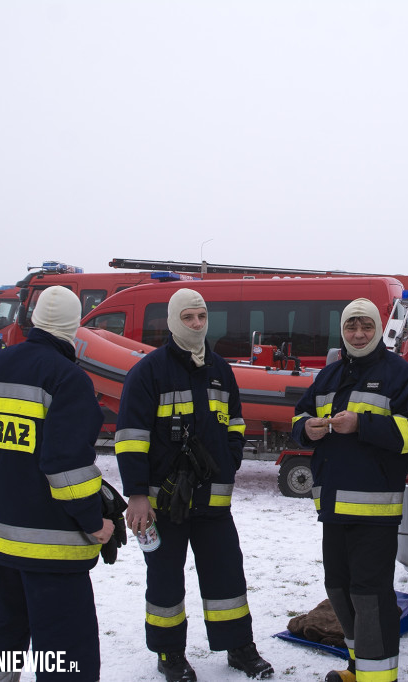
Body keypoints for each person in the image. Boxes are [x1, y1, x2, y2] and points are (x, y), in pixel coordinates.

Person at [115, 288, 273, 682]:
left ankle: (239, 646)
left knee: (227, 576)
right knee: (166, 579)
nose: (197, 324)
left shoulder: (221, 369)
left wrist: (230, 459)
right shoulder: (147, 372)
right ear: (172, 321)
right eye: (188, 317)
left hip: (213, 501)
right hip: (162, 503)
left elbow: (236, 422)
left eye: (202, 317)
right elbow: (131, 438)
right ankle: (170, 654)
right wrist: (136, 495)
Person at [0, 285, 114, 681]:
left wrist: (8, 487)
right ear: (74, 324)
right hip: (53, 548)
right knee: (65, 653)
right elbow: (66, 468)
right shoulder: (68, 378)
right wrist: (94, 522)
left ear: (32, 319)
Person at [290, 298, 408, 682]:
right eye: (351, 326)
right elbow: (299, 417)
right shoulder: (328, 376)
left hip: (376, 513)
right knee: (338, 590)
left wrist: (362, 425)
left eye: (366, 326)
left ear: (378, 329)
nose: (358, 333)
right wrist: (307, 429)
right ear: (343, 330)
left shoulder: (400, 374)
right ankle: (359, 668)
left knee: (371, 598)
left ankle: (380, 678)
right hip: (333, 509)